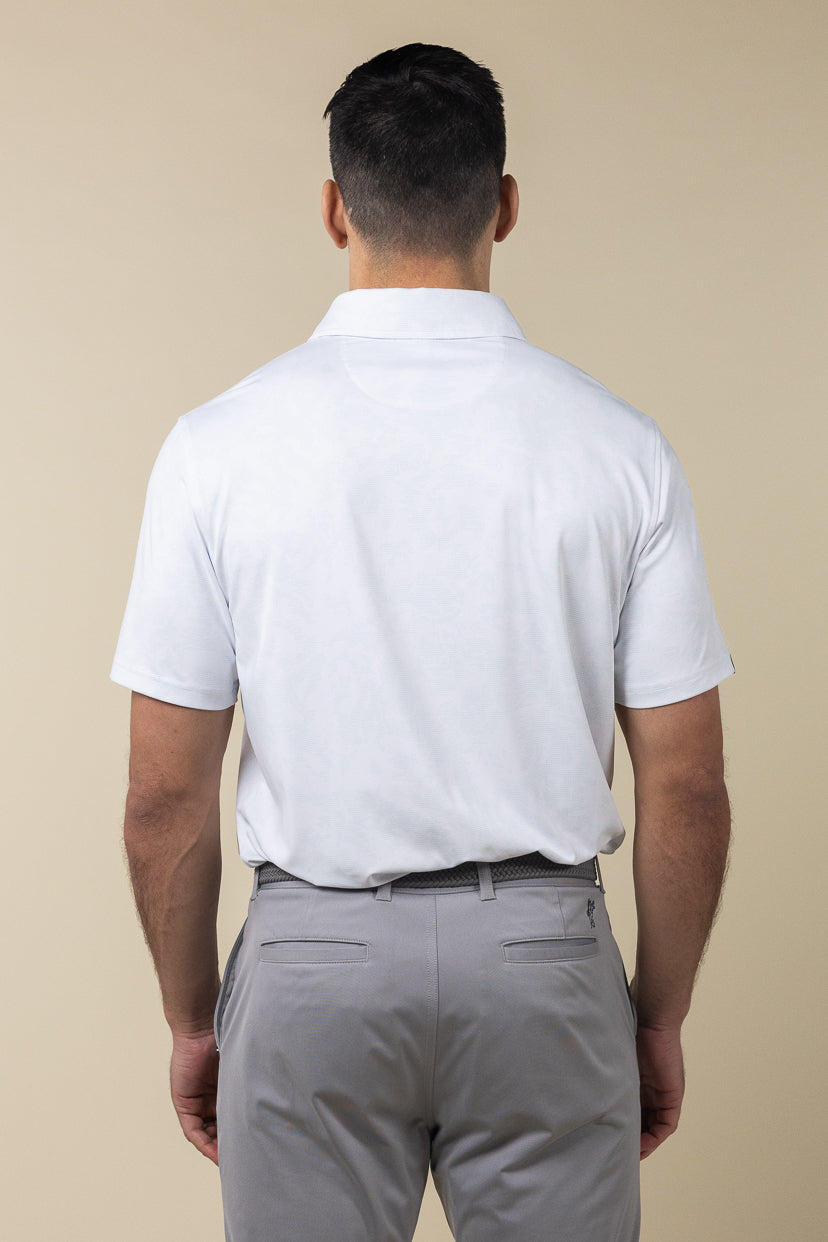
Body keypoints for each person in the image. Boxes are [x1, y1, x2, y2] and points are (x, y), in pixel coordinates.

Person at [110, 42, 735, 1242]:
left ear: (334, 208)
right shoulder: (620, 450)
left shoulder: (216, 450)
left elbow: (162, 797)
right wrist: (657, 1016)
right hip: (544, 964)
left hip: (313, 964)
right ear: (505, 205)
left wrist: (195, 1020)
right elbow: (688, 783)